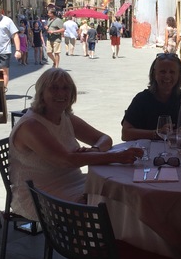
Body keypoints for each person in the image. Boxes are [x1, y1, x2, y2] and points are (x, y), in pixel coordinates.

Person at [9, 68, 142, 221]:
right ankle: (88, 243)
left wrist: (95, 150)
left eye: (66, 88)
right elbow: (66, 160)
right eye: (54, 88)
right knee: (111, 207)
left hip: (74, 182)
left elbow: (104, 138)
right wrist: (116, 156)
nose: (61, 93)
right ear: (41, 93)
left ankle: (112, 241)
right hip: (40, 195)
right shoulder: (31, 125)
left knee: (121, 194)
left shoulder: (65, 117)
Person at [121, 53, 181, 141]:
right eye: (162, 72)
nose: (167, 76)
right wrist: (156, 133)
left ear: (179, 75)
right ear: (154, 74)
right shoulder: (142, 99)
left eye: (172, 72)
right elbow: (125, 133)